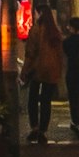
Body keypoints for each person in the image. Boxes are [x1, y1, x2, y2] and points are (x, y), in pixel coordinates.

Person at [23, 8, 64, 142]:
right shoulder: (55, 31)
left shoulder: (36, 29)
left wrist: (25, 71)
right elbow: (59, 54)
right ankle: (43, 130)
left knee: (33, 99)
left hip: (37, 69)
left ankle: (34, 127)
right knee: (46, 101)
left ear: (39, 13)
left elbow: (31, 52)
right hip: (51, 71)